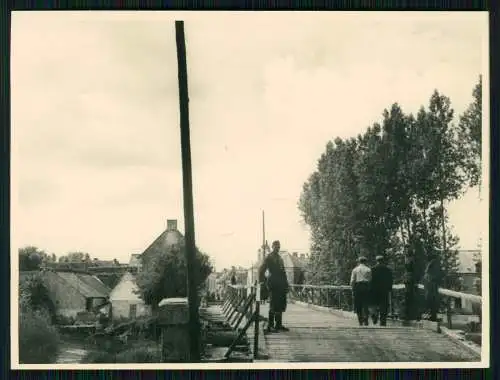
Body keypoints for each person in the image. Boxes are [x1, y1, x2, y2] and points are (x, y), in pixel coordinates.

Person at [259, 240, 289, 333]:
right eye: (276, 246)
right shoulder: (269, 257)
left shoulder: (280, 258)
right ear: (272, 247)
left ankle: (278, 325)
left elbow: (283, 272)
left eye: (278, 246)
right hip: (273, 283)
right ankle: (270, 325)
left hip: (281, 284)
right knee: (273, 305)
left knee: (281, 304)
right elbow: (261, 270)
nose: (277, 248)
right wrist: (263, 282)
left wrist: (286, 284)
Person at [370, 255, 393, 326]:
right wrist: (389, 288)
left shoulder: (372, 269)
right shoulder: (388, 270)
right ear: (383, 261)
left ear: (377, 261)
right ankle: (383, 321)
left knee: (374, 304)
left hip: (374, 290)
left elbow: (370, 280)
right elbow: (390, 280)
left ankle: (374, 316)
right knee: (384, 305)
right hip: (384, 290)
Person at [350, 256, 372, 326]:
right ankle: (366, 318)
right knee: (365, 303)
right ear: (365, 262)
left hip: (358, 287)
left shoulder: (355, 269)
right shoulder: (368, 269)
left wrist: (352, 288)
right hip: (365, 286)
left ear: (359, 262)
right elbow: (370, 279)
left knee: (358, 304)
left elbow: (352, 280)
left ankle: (360, 320)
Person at [423, 252, 443, 322]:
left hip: (432, 286)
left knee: (432, 300)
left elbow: (431, 275)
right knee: (432, 300)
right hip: (430, 285)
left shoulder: (433, 263)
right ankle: (432, 315)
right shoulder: (432, 263)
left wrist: (430, 279)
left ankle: (432, 315)